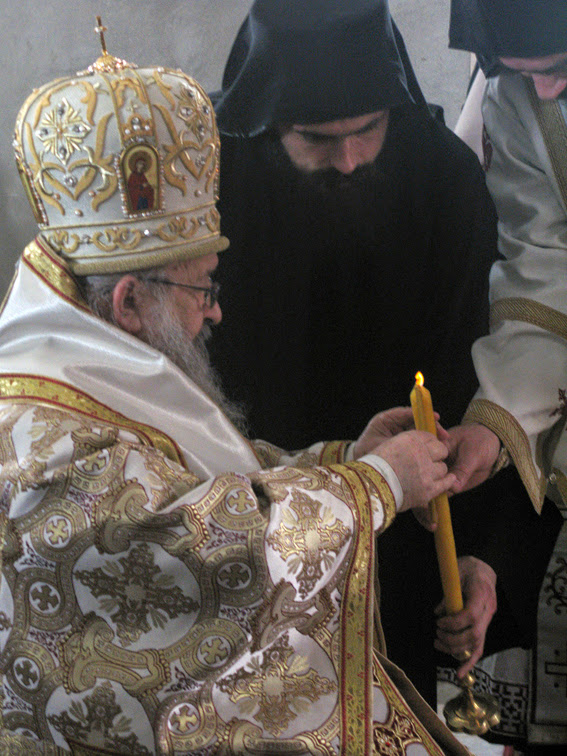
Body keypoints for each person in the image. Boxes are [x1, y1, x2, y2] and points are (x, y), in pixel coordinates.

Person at [0, 30, 472, 756]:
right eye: (203, 288)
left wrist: (343, 458)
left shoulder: (80, 360)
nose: (214, 312)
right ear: (130, 302)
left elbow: (185, 479)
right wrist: (379, 484)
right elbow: (209, 554)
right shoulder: (46, 449)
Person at [208, 0, 560, 708]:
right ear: (263, 121)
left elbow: (479, 374)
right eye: (315, 138)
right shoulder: (210, 191)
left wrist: (483, 554)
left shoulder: (445, 182)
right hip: (248, 525)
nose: (347, 160)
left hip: (406, 544)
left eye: (368, 130)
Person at [448, 0, 567, 749]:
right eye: (524, 75)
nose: (543, 92)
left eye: (557, 70)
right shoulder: (512, 98)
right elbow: (543, 269)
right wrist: (498, 418)